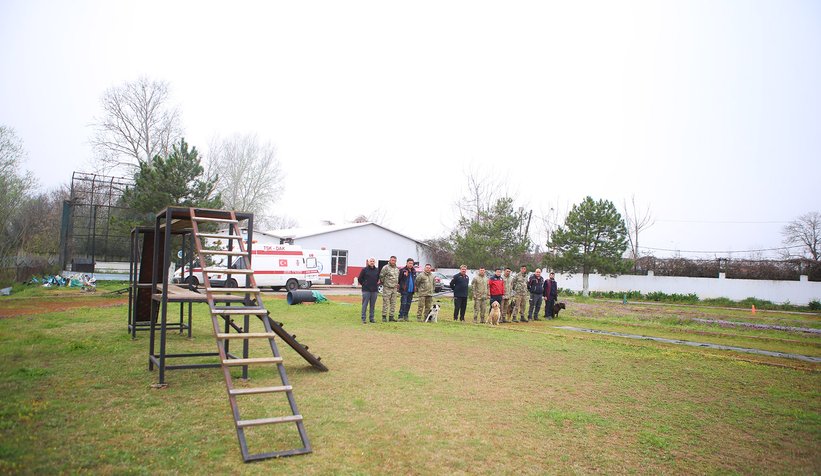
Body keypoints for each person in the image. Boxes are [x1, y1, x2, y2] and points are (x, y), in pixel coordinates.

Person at [357, 257, 380, 324]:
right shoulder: (364, 270)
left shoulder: (377, 270)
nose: (372, 262)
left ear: (374, 262)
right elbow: (359, 278)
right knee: (365, 305)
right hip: (366, 290)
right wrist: (364, 284)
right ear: (368, 262)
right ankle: (363, 318)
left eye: (373, 261)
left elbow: (378, 279)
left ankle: (371, 318)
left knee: (372, 305)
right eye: (371, 261)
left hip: (374, 290)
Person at [379, 255, 400, 322]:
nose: (393, 262)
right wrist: (385, 283)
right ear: (390, 260)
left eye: (395, 260)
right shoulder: (385, 267)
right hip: (387, 288)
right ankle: (384, 316)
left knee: (393, 303)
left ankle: (391, 316)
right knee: (386, 302)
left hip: (394, 288)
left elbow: (397, 277)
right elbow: (381, 276)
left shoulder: (397, 269)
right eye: (392, 260)